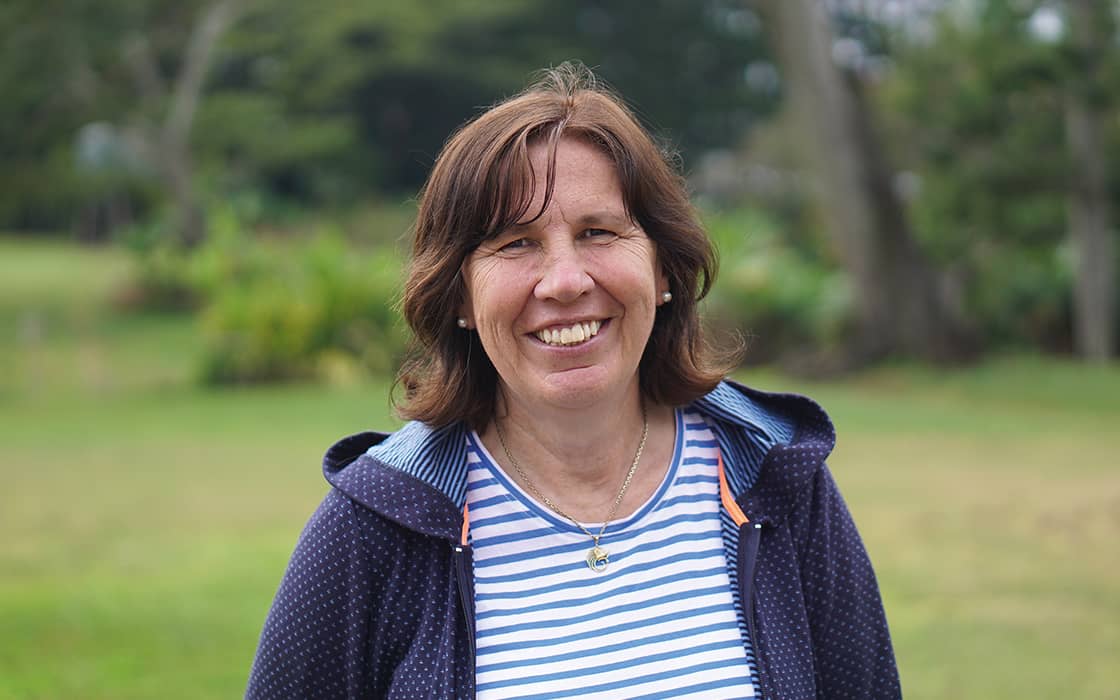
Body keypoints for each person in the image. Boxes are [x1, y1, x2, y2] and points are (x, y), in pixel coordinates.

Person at [246, 63, 900, 699]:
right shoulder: (375, 526)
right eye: (515, 243)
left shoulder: (776, 480)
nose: (564, 282)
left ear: (663, 269)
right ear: (461, 297)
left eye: (598, 232)